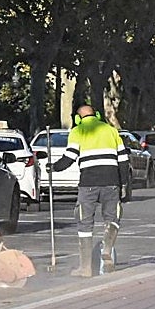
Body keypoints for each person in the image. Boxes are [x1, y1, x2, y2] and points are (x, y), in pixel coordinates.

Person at [50, 104, 130, 277]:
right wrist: (124, 184)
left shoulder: (78, 131)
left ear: (78, 119)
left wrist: (53, 168)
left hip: (88, 183)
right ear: (98, 115)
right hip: (111, 182)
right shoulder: (111, 130)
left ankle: (85, 268)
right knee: (112, 218)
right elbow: (123, 160)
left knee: (84, 223)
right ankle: (107, 250)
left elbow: (69, 158)